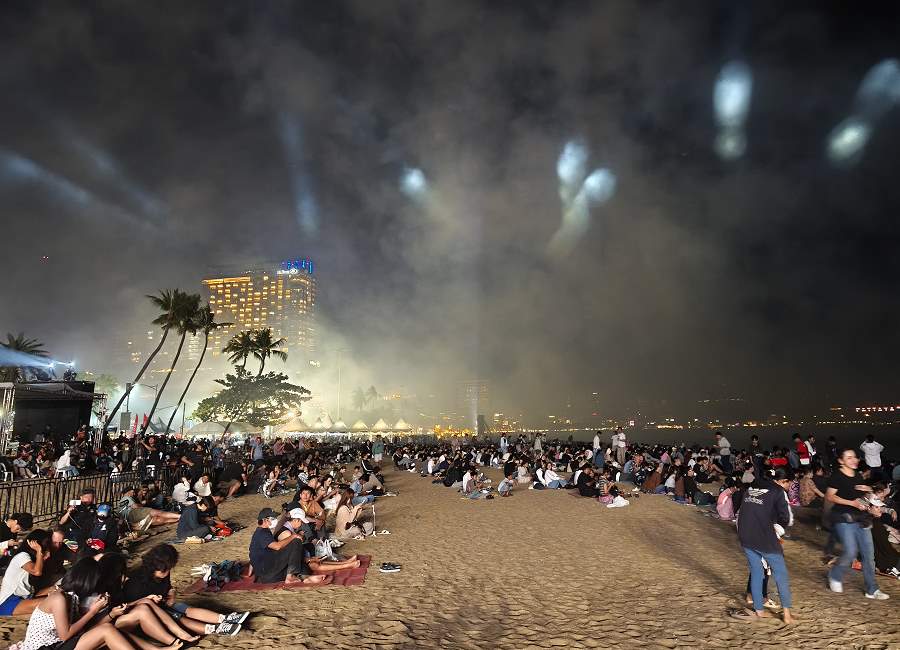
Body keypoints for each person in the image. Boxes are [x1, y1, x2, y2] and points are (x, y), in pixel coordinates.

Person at [123, 544, 246, 636]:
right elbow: (134, 607)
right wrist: (154, 600)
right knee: (178, 616)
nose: (167, 572)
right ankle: (215, 628)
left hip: (163, 605)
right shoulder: (137, 581)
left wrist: (171, 595)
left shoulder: (162, 571)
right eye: (165, 570)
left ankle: (223, 619)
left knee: (184, 608)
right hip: (147, 616)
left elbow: (169, 588)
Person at [16, 557, 136, 650]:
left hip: (58, 644)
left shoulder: (73, 597)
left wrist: (110, 614)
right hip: (45, 647)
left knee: (112, 633)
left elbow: (82, 630)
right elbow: (65, 635)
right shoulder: (59, 598)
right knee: (107, 630)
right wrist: (93, 611)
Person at [826, 448, 889, 600]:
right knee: (850, 552)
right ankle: (834, 575)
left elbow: (863, 499)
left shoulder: (858, 476)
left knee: (869, 555)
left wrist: (873, 507)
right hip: (843, 518)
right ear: (841, 461)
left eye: (854, 457)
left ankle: (872, 589)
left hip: (862, 519)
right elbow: (830, 497)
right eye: (849, 458)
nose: (854, 460)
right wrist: (852, 503)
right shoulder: (837, 477)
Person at [734, 468, 794, 623]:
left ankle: (759, 610)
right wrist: (777, 531)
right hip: (764, 538)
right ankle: (787, 614)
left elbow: (742, 511)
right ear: (782, 481)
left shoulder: (751, 488)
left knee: (756, 572)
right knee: (781, 575)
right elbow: (785, 518)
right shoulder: (778, 492)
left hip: (745, 535)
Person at [248, 508, 328, 585]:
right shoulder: (262, 533)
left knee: (298, 561)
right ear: (265, 520)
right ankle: (290, 576)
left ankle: (305, 578)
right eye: (273, 518)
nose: (276, 519)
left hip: (270, 574)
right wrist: (294, 536)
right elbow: (277, 547)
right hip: (268, 572)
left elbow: (255, 553)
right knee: (296, 541)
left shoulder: (262, 532)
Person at [0, 531, 52, 617]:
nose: (48, 553)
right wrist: (39, 552)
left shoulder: (33, 560)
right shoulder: (22, 556)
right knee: (53, 602)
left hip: (24, 597)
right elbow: (36, 572)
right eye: (45, 549)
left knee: (56, 590)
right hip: (9, 601)